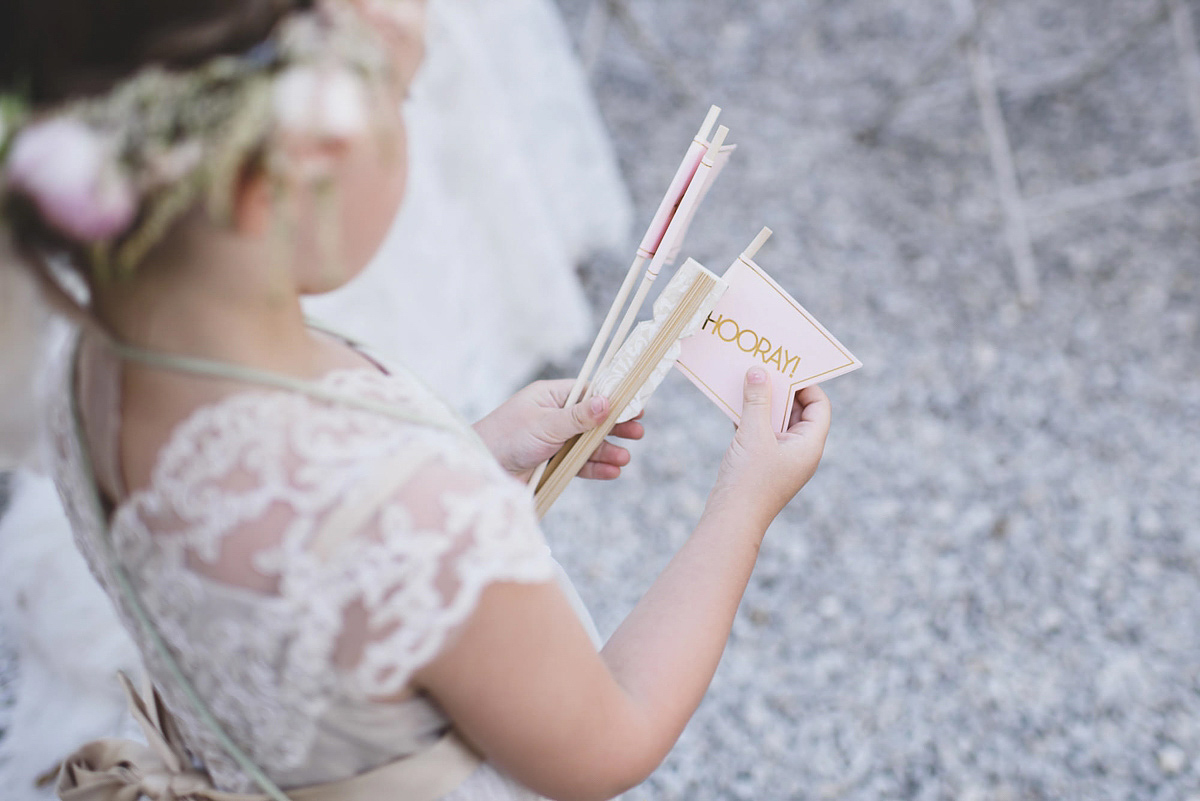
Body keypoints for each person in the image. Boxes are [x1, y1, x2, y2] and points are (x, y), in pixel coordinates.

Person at [0, 2, 831, 800]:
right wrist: (745, 500)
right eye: (404, 100)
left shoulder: (91, 357)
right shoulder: (410, 507)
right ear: (296, 172)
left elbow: (299, 567)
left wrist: (476, 451)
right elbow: (613, 734)